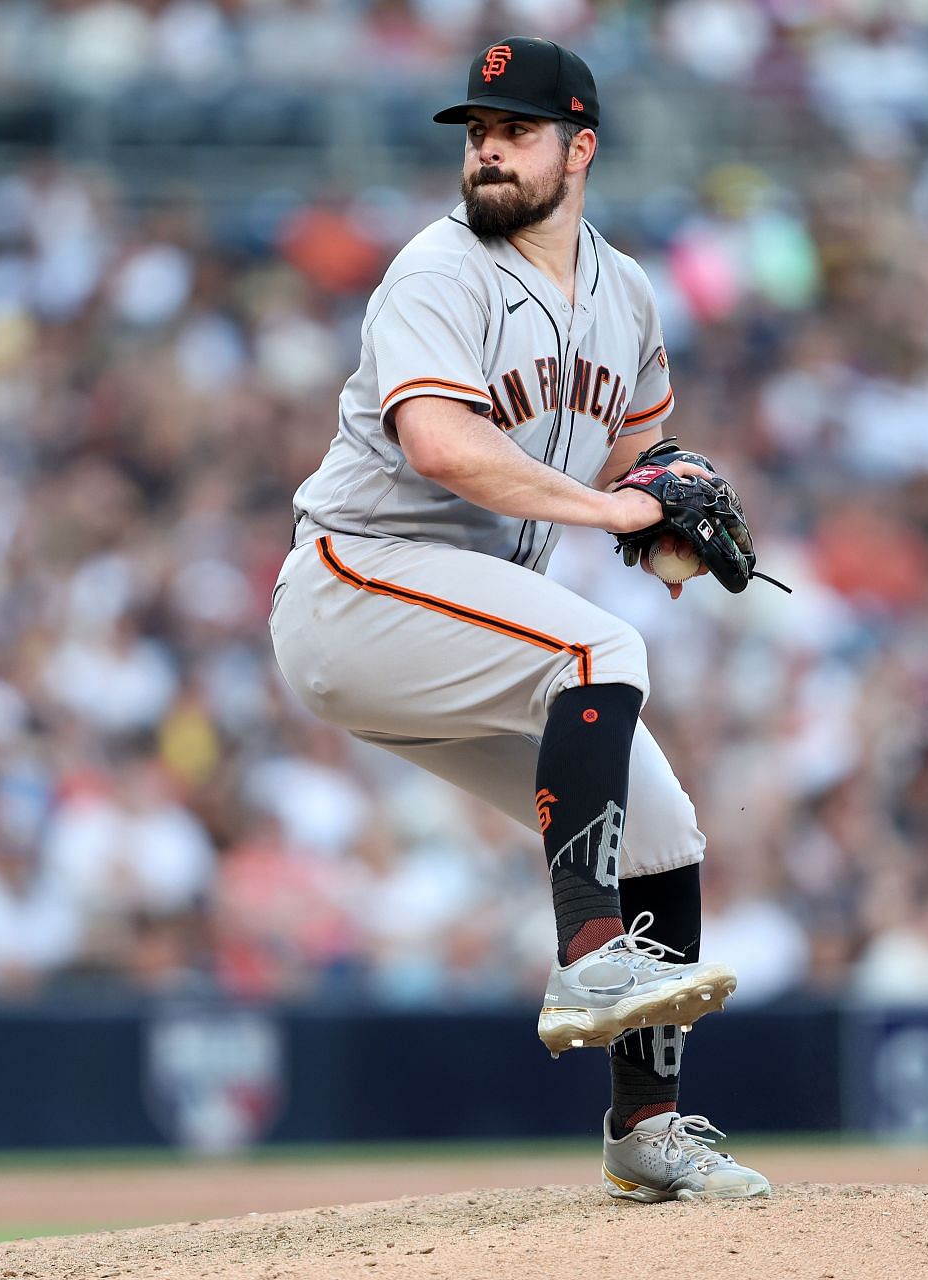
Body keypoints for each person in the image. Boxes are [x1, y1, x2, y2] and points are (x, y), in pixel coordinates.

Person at [270, 35, 770, 1202]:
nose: (488, 149)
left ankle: (644, 1128)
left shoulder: (627, 291)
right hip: (359, 580)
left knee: (664, 830)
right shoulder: (440, 271)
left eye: (515, 130)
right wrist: (609, 505)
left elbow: (645, 448)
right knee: (599, 646)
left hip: (466, 623)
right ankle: (589, 957)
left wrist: (668, 509)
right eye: (477, 131)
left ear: (579, 147)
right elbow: (441, 445)